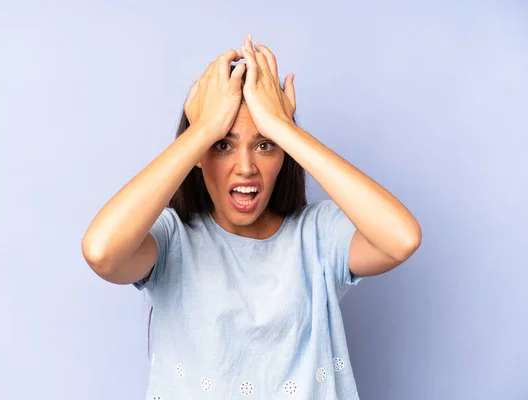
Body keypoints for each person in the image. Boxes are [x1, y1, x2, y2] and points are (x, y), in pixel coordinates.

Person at [81, 35, 422, 399]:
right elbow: (102, 252)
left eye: (264, 145)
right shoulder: (172, 238)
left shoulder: (319, 235)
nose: (246, 168)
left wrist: (285, 128)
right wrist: (202, 130)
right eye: (222, 145)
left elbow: (402, 239)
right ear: (197, 152)